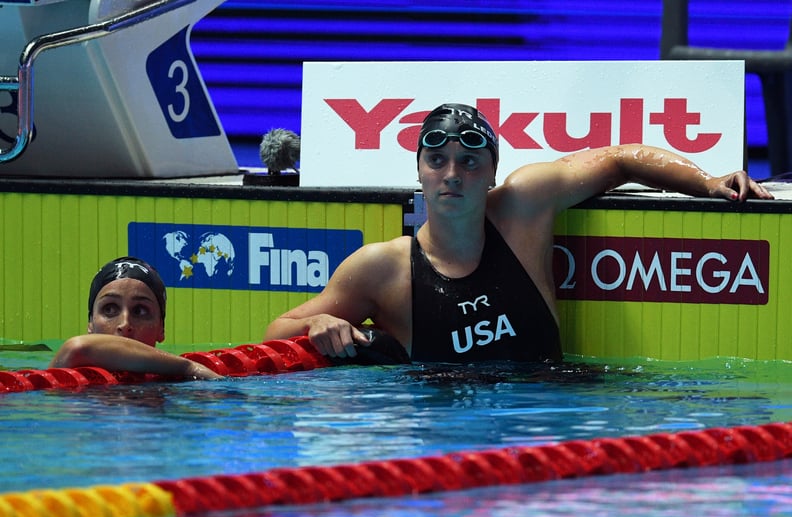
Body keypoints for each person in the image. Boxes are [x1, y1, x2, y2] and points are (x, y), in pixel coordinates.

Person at [264, 103, 774, 363]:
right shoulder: (383, 269)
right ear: (419, 172)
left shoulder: (523, 206)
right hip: (443, 439)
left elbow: (621, 159)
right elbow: (274, 334)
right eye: (437, 161)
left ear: (491, 172)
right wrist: (317, 325)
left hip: (549, 417)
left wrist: (707, 182)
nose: (452, 174)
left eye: (469, 162)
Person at [49, 256, 223, 380]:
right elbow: (77, 348)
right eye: (109, 309)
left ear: (161, 329)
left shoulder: (176, 386)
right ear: (90, 324)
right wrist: (189, 367)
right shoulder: (67, 372)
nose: (125, 324)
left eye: (140, 311)